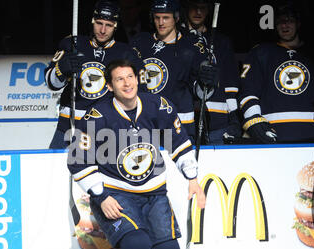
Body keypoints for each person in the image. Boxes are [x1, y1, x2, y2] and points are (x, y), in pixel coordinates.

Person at [67, 59, 206, 249]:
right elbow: (77, 160)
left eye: (130, 77)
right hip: (115, 195)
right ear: (110, 86)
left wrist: (192, 179)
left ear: (138, 78)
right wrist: (100, 196)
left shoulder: (158, 105)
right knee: (137, 244)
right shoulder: (96, 116)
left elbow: (180, 143)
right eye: (119, 79)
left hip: (154, 194)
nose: (126, 83)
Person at [44, 0, 146, 149]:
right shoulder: (73, 44)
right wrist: (61, 69)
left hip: (105, 129)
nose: (103, 30)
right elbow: (51, 83)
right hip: (68, 126)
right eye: (99, 23)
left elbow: (140, 94)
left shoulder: (126, 53)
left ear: (116, 26)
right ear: (92, 21)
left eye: (109, 25)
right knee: (53, 169)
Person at [238, 4, 314, 144]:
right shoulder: (261, 53)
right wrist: (254, 120)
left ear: (298, 24)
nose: (285, 25)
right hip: (273, 135)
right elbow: (248, 91)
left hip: (313, 135)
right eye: (280, 21)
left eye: (290, 20)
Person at [130, 0, 219, 142]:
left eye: (166, 18)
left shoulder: (192, 46)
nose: (160, 22)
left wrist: (206, 81)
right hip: (145, 124)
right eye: (157, 17)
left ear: (176, 18)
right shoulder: (140, 42)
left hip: (179, 124)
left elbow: (199, 92)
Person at [180, 0, 242, 144]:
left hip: (218, 121)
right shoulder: (177, 38)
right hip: (185, 120)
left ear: (209, 10)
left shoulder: (221, 42)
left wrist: (233, 116)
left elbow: (230, 83)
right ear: (187, 8)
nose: (198, 12)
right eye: (194, 7)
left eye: (203, 8)